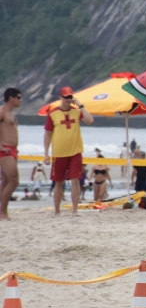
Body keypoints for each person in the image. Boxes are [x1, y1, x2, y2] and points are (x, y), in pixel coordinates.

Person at [44, 87, 94, 216]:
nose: (68, 99)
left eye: (70, 97)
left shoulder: (77, 112)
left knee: (75, 180)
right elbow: (48, 134)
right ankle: (57, 211)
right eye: (66, 97)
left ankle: (74, 210)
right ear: (60, 98)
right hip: (59, 153)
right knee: (58, 182)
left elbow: (90, 121)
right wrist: (46, 153)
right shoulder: (53, 114)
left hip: (75, 152)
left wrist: (80, 105)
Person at [0, 88, 22, 220]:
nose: (20, 100)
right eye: (19, 97)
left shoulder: (11, 114)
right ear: (11, 98)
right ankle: (2, 212)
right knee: (14, 181)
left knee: (6, 181)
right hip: (5, 150)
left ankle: (2, 210)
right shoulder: (2, 111)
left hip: (12, 150)